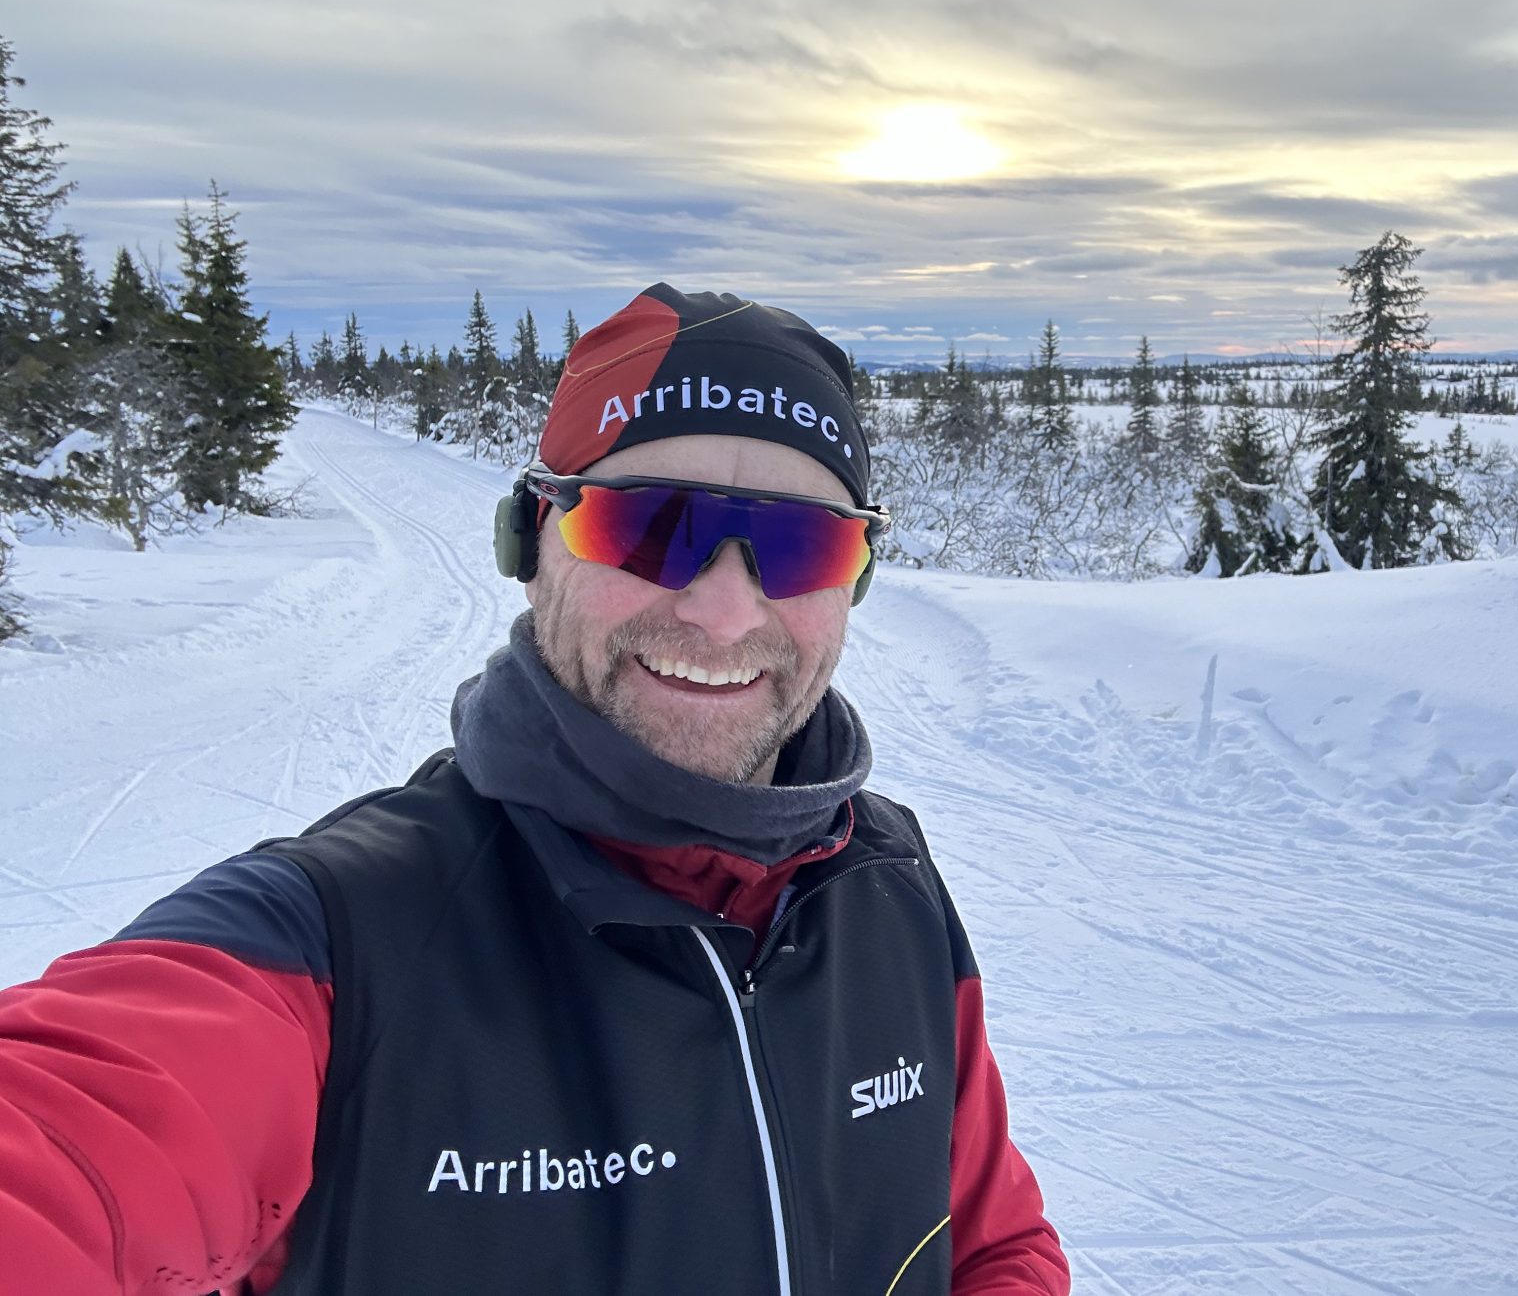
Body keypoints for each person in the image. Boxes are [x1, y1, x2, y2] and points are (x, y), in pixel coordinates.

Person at [0, 287, 1070, 1294]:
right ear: (531, 543)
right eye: (652, 526)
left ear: (854, 579)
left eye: (800, 542)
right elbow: (59, 1149)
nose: (724, 611)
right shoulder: (333, 944)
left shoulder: (888, 887)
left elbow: (991, 1241)